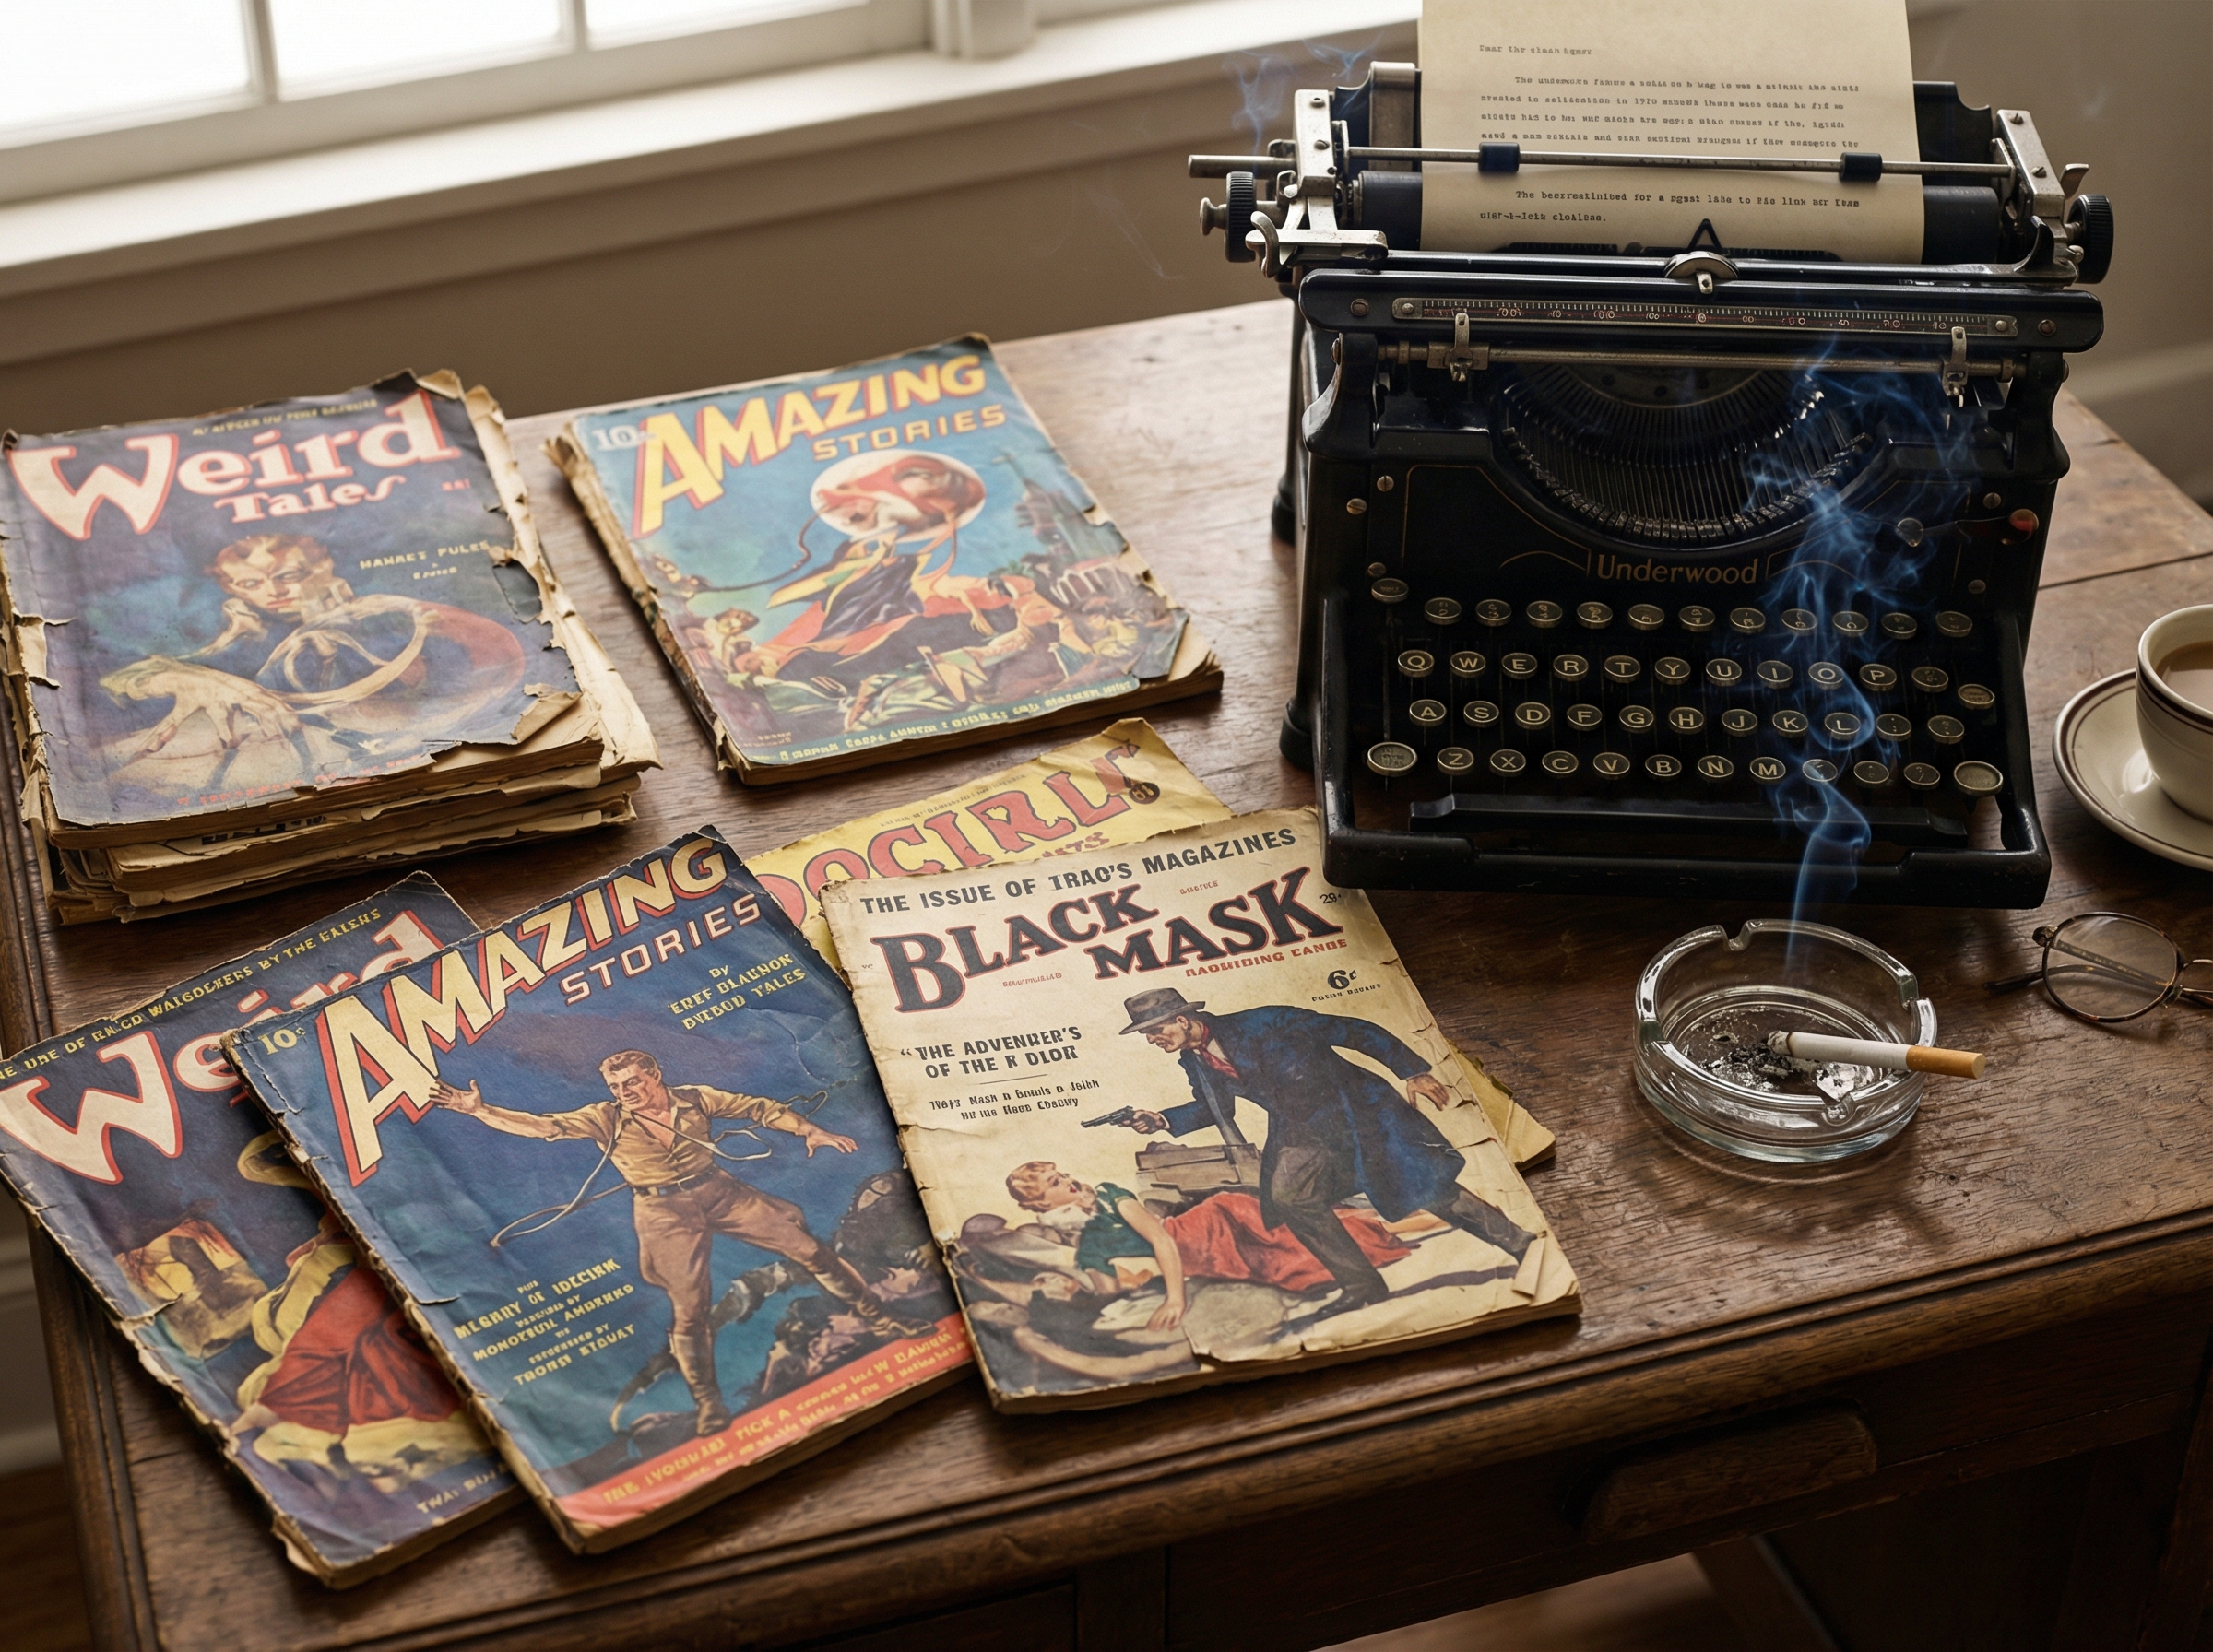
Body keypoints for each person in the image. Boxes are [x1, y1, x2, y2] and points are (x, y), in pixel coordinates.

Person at [431, 1049, 932, 1437]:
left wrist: (809, 1129)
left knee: (812, 1252)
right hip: (661, 1212)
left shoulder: (694, 1098)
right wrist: (480, 1112)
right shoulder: (605, 1118)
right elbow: (543, 1127)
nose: (625, 1091)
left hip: (719, 1192)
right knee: (690, 1309)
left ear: (655, 1076)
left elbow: (757, 1109)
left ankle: (883, 1317)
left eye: (632, 1082)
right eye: (616, 1085)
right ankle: (709, 1402)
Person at [1106, 989, 1535, 1319]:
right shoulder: (1194, 1060)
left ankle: (1520, 1244)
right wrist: (1160, 1119)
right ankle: (1362, 1285)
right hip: (1300, 1131)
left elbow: (1352, 1029)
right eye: (1147, 1034)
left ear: (1182, 1019)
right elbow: (1212, 1107)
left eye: (1155, 1030)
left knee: (1424, 1186)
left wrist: (1413, 1071)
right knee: (1291, 1197)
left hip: (1358, 1111)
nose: (1152, 1040)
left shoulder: (1266, 1022)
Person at [1000, 1163, 1414, 1328]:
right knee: (1290, 1266)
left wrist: (1175, 1299)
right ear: (1039, 1204)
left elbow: (1161, 1238)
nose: (1067, 1179)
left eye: (1061, 1173)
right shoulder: (1087, 1247)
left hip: (1214, 1221)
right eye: (1054, 1183)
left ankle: (1406, 1219)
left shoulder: (1109, 1194)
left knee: (1302, 1234)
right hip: (1206, 1256)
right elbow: (1106, 1291)